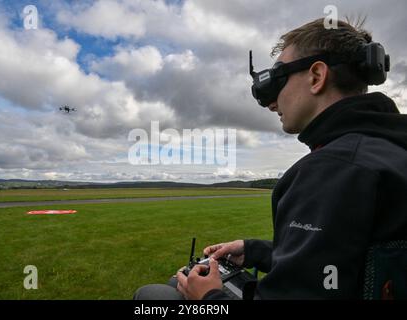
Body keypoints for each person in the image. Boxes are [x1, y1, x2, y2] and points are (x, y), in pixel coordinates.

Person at [134, 18, 407, 300]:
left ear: (316, 77)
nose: (272, 102)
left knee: (155, 295)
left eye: (279, 79)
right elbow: (339, 265)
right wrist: (254, 251)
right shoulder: (390, 150)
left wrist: (210, 297)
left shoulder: (334, 169)